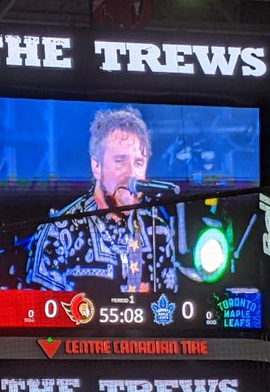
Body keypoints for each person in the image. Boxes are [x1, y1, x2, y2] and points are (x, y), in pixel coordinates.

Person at [25, 107, 177, 293]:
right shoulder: (58, 232)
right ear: (96, 166)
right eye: (120, 161)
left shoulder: (158, 231)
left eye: (138, 163)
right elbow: (41, 314)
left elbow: (170, 312)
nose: (132, 176)